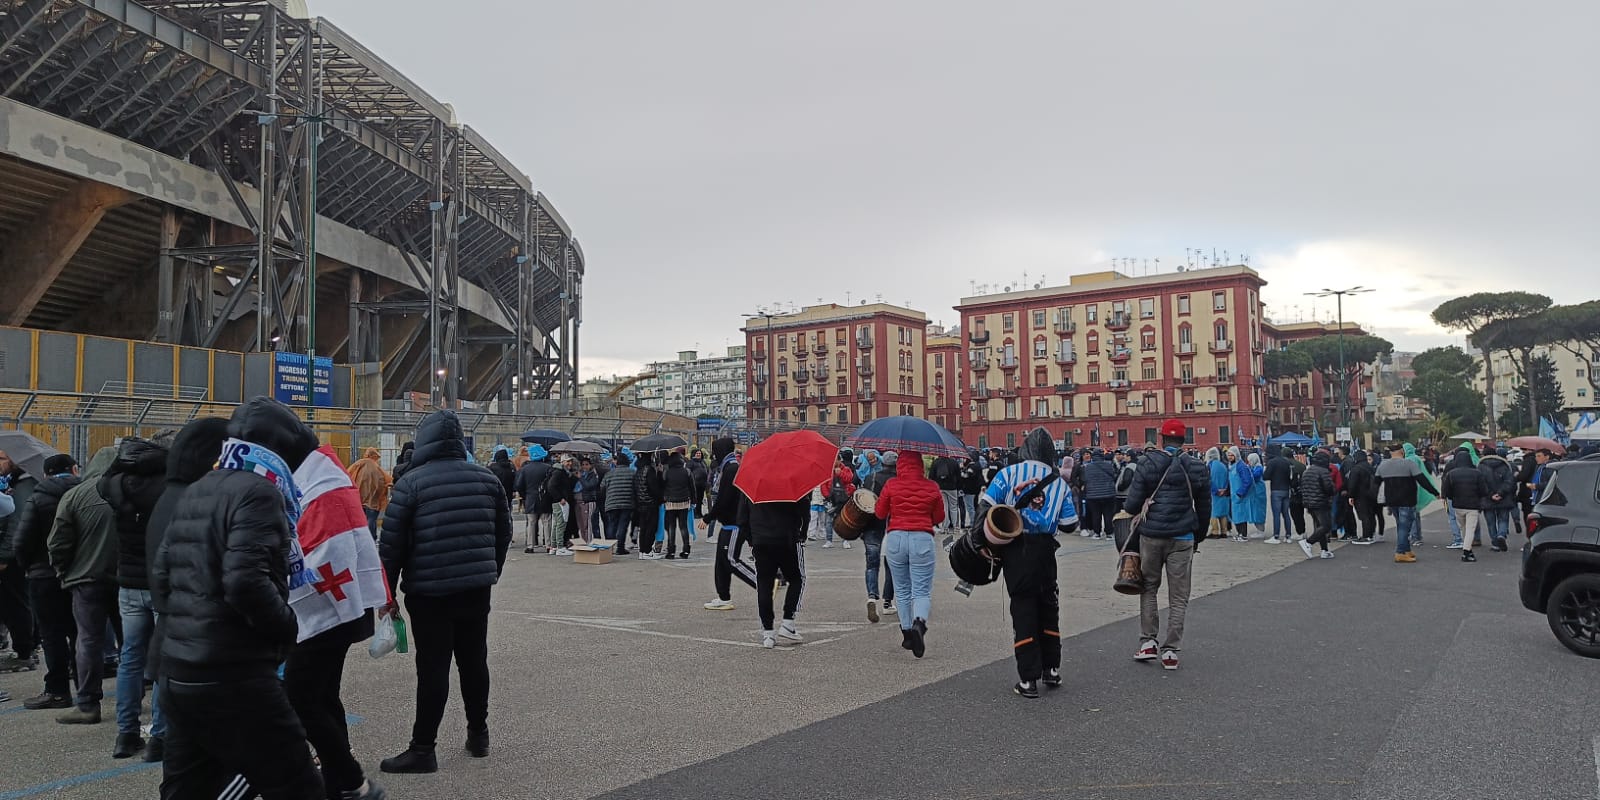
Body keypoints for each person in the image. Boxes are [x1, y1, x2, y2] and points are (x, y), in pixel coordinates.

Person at [151, 398, 324, 799]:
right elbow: (246, 582)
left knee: (187, 788)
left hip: (179, 670)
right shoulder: (259, 492)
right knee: (297, 783)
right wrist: (287, 627)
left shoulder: (198, 488)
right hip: (234, 673)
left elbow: (162, 575)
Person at [379, 410, 512, 774]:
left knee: (433, 667)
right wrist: (489, 571)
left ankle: (423, 749)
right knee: (474, 661)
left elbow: (391, 547)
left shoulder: (411, 484)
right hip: (475, 588)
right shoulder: (487, 480)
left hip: (429, 591)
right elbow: (503, 533)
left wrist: (385, 595)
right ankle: (478, 734)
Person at [286, 444, 391, 800]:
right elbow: (367, 538)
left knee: (303, 695)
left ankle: (345, 775)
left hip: (327, 614)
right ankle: (339, 774)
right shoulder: (339, 481)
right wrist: (384, 596)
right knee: (324, 693)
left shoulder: (335, 481)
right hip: (347, 607)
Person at [139, 417, 229, 763]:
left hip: (171, 613)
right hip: (198, 624)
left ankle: (160, 737)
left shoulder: (168, 496)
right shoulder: (197, 499)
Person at [982, 430, 1079, 696]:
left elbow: (986, 506)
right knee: (1048, 606)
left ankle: (1028, 679)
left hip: (1017, 548)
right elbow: (1070, 525)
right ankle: (1052, 669)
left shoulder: (1007, 474)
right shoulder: (1059, 483)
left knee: (1023, 608)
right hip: (1046, 551)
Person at [99, 436, 171, 758]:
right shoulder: (167, 488)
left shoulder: (118, 485)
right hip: (158, 584)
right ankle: (160, 735)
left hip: (128, 583)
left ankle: (125, 734)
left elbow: (103, 481)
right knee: (162, 661)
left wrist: (121, 461)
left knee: (130, 656)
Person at [1121, 419, 1210, 672]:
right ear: (1184, 439)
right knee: (1179, 595)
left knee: (1148, 587)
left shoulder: (1147, 463)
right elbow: (1204, 507)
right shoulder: (1196, 466)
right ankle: (1171, 650)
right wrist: (1198, 535)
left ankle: (1148, 642)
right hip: (1183, 536)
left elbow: (1131, 505)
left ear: (1161, 439)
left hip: (1151, 535)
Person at [47, 445, 120, 725]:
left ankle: (88, 703)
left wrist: (63, 570)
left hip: (85, 580)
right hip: (125, 579)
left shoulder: (74, 495)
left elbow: (57, 542)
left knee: (88, 640)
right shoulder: (129, 491)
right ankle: (132, 697)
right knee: (132, 643)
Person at [5, 454, 80, 709]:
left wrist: (30, 567)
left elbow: (22, 540)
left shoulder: (37, 497)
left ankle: (58, 690)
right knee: (80, 632)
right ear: (74, 469)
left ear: (46, 474)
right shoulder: (88, 494)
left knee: (52, 634)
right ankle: (87, 689)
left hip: (43, 575)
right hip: (80, 575)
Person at [875, 449, 945, 661]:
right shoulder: (932, 486)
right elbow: (939, 516)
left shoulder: (891, 485)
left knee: (902, 588)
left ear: (900, 465)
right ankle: (919, 623)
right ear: (921, 466)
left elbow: (879, 512)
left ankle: (906, 633)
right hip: (921, 538)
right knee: (921, 590)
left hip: (896, 537)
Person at [702, 438, 755, 610]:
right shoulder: (728, 466)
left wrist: (708, 517)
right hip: (728, 523)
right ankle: (724, 597)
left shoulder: (731, 468)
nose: (714, 454)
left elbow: (724, 498)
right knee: (721, 563)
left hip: (734, 523)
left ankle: (764, 584)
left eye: (715, 450)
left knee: (731, 560)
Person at [0, 449, 39, 674]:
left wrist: (4, 557)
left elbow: (16, 525)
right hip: (15, 554)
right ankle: (27, 648)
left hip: (12, 557)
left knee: (16, 603)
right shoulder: (13, 483)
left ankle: (25, 652)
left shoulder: (23, 487)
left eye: (2, 459)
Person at [1376, 443, 1440, 563]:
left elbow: (1375, 483)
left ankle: (1406, 549)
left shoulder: (1383, 465)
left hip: (1392, 500)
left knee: (1401, 525)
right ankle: (1400, 552)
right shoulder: (1409, 464)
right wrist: (1435, 492)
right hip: (1407, 500)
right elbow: (1422, 480)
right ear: (1402, 451)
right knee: (1405, 526)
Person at [859, 451, 898, 623]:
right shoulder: (899, 481)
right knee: (891, 566)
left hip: (871, 525)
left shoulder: (871, 477)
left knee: (871, 565)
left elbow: (863, 500)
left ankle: (871, 597)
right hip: (890, 525)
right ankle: (887, 603)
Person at [1440, 446, 1491, 563]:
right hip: (1473, 505)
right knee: (1470, 529)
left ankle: (1467, 548)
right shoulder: (1477, 473)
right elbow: (1484, 490)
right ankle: (1466, 552)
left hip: (1458, 505)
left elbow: (1446, 491)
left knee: (1463, 527)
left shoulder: (1451, 473)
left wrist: (1452, 497)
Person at [1297, 450, 1337, 559]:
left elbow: (1302, 487)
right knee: (1326, 526)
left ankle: (1324, 550)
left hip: (1309, 502)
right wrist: (1333, 490)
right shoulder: (1323, 471)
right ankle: (1308, 542)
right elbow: (1329, 488)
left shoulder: (1307, 471)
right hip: (1321, 502)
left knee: (1319, 526)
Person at [513, 446, 553, 553]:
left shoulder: (525, 469)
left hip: (530, 498)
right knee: (547, 521)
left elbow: (519, 485)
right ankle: (548, 545)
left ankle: (530, 545)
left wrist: (524, 495)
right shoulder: (548, 468)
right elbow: (551, 484)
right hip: (545, 498)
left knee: (531, 522)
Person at [1479, 448, 1517, 552]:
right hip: (1504, 498)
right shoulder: (1505, 466)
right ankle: (1501, 535)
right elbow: (1510, 482)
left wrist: (1491, 495)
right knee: (1503, 519)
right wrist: (1501, 493)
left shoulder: (1481, 467)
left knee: (1491, 522)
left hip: (1487, 499)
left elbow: (1481, 484)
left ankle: (1495, 544)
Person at [348, 447, 391, 537]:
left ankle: (361, 537)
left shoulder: (359, 463)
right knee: (371, 519)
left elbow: (348, 474)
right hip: (373, 497)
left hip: (359, 497)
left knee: (360, 519)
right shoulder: (376, 467)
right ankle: (371, 537)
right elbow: (387, 480)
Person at [600, 452, 637, 553]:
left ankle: (609, 548)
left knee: (612, 525)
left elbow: (602, 488)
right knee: (622, 525)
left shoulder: (609, 473)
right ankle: (620, 548)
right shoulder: (632, 473)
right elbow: (636, 488)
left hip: (611, 503)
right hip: (627, 503)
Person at [660, 451, 695, 559]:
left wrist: (663, 499)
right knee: (683, 526)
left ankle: (671, 551)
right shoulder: (687, 471)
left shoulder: (667, 472)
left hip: (670, 503)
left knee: (671, 527)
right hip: (684, 502)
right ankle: (686, 550)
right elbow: (692, 487)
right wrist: (694, 501)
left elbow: (662, 487)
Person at [1080, 450, 1120, 542]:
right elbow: (1114, 476)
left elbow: (1085, 479)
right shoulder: (1109, 465)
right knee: (1108, 514)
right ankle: (1109, 534)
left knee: (1096, 514)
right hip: (1108, 494)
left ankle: (1097, 533)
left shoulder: (1087, 467)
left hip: (1093, 495)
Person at [632, 452, 665, 560]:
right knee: (651, 528)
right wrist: (659, 474)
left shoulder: (638, 470)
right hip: (651, 503)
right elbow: (654, 488)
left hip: (640, 504)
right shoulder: (649, 470)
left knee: (643, 528)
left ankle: (642, 551)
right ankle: (647, 550)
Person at [1227, 448, 1264, 541]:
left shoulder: (1241, 466)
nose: (1230, 457)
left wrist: (1240, 492)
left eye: (1232, 455)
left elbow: (1247, 481)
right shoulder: (1232, 465)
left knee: (1241, 516)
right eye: (1229, 455)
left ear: (1236, 455)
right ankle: (1240, 534)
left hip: (1240, 496)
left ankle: (1243, 535)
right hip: (1234, 495)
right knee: (1236, 516)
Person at [1343, 449, 1377, 544]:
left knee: (1363, 515)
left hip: (1360, 495)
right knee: (1370, 515)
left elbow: (1352, 484)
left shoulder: (1356, 468)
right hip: (1371, 494)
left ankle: (1366, 536)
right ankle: (1371, 534)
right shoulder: (1370, 467)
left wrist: (1351, 496)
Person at [1262, 447, 1294, 544]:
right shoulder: (1286, 462)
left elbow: (1265, 476)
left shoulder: (1272, 462)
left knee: (1276, 514)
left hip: (1276, 490)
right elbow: (1290, 477)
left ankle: (1276, 536)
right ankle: (1288, 536)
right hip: (1286, 490)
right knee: (1286, 514)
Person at [929, 454, 961, 535]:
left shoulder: (936, 462)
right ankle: (956, 527)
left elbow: (931, 476)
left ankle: (944, 528)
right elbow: (958, 476)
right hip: (952, 488)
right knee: (954, 507)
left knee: (944, 507)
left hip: (940, 487)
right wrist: (958, 486)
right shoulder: (954, 462)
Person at [1205, 447, 1231, 538]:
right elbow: (1229, 478)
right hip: (1224, 492)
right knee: (1223, 513)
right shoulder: (1223, 465)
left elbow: (1208, 480)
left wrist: (1215, 491)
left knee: (1213, 513)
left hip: (1214, 494)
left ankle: (1215, 531)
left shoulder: (1209, 466)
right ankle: (1224, 531)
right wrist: (1225, 489)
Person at [576, 457, 601, 546]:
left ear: (590, 465)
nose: (584, 466)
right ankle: (584, 540)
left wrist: (581, 478)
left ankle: (590, 541)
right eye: (583, 465)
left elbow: (589, 486)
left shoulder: (593, 475)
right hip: (580, 500)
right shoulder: (581, 473)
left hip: (590, 500)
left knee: (589, 522)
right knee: (582, 522)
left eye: (587, 464)